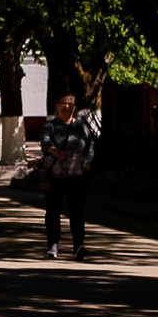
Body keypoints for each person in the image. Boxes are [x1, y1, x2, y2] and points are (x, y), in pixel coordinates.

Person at [39, 92, 96, 258]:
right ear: (56, 106)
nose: (66, 107)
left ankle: (78, 246)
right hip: (54, 176)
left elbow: (90, 149)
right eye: (63, 103)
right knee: (53, 212)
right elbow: (45, 142)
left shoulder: (81, 127)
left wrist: (86, 168)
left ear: (74, 107)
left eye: (70, 104)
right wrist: (53, 150)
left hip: (76, 176)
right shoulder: (50, 126)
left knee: (76, 211)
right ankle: (53, 246)